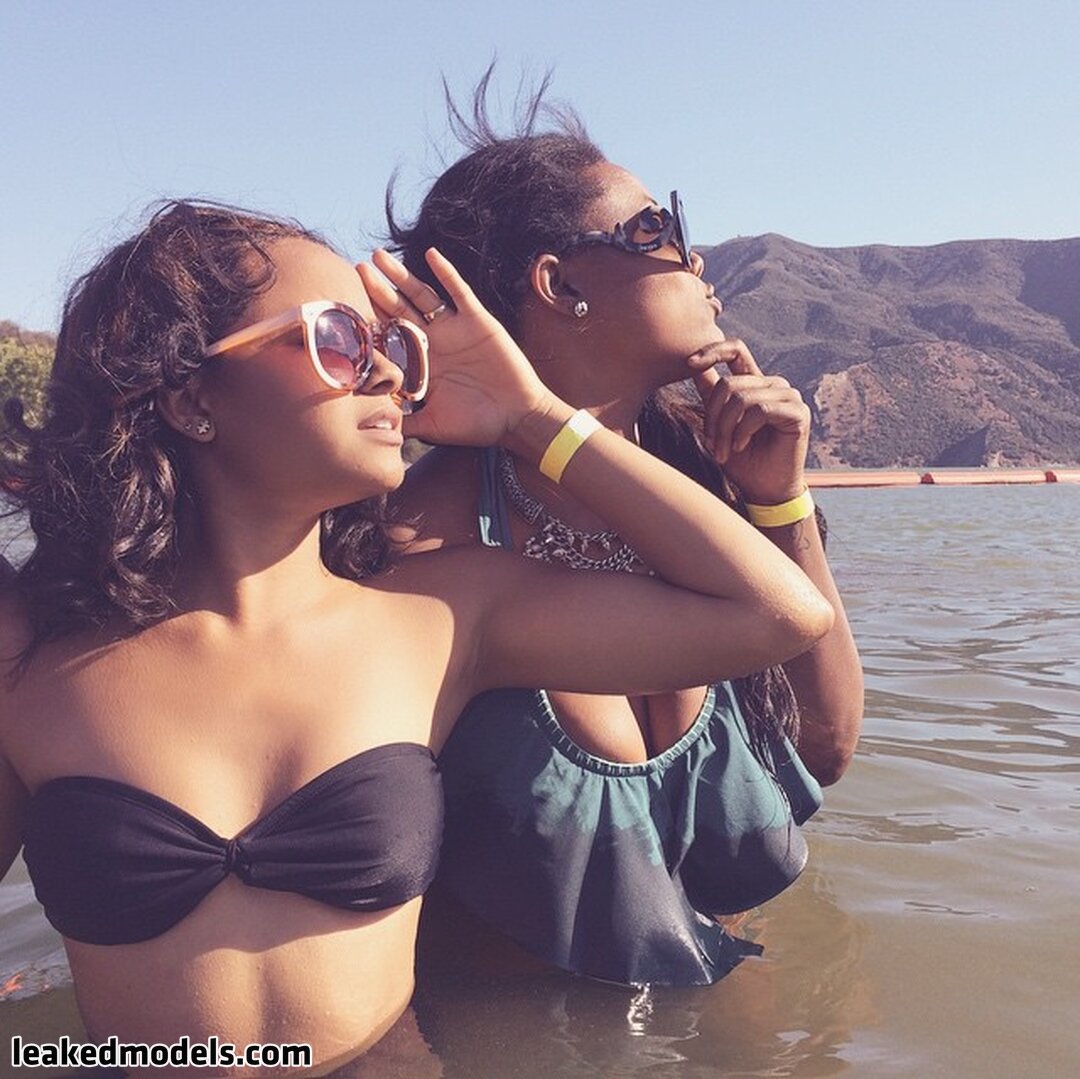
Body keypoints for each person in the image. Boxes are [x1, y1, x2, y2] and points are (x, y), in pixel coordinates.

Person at [0, 200, 833, 1075]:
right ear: (191, 393)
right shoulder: (31, 646)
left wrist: (530, 414)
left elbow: (778, 613)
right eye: (339, 339)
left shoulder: (440, 614)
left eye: (392, 345)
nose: (390, 374)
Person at [386, 82, 864, 987]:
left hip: (736, 1003)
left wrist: (781, 502)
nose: (696, 255)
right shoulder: (424, 540)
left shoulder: (711, 490)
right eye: (659, 228)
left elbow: (824, 749)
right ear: (559, 283)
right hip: (533, 1031)